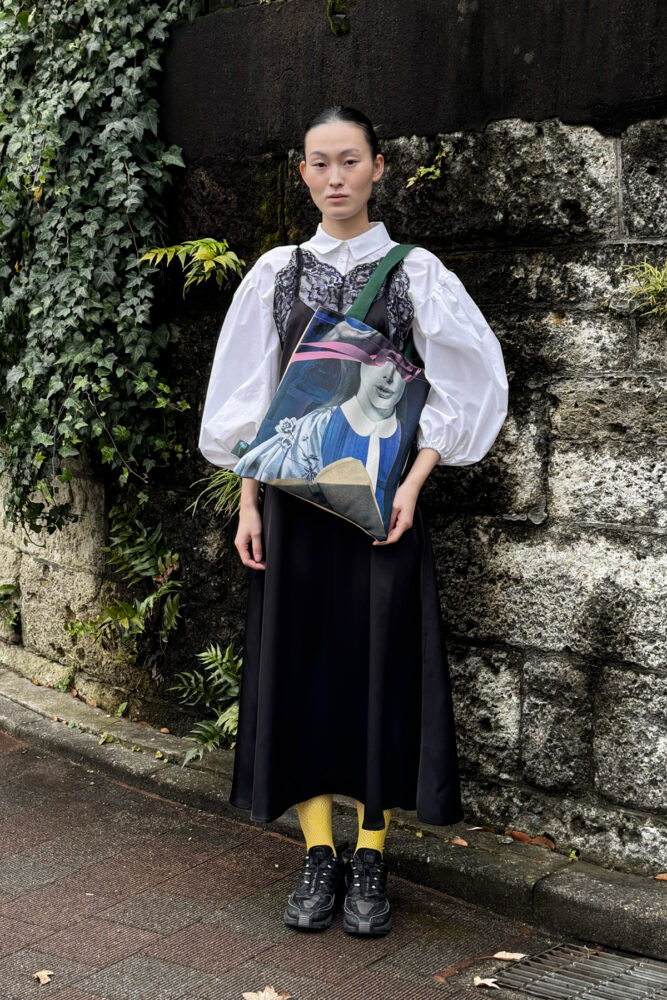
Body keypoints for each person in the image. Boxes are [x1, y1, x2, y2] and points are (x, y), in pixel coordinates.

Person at [198, 106, 509, 937]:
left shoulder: (417, 275)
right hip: (293, 512)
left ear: (377, 167)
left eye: (348, 160)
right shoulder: (275, 274)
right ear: (301, 172)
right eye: (318, 163)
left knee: (379, 673)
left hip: (382, 513)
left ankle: (370, 855)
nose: (333, 177)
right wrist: (247, 500)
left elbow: (469, 386)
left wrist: (414, 485)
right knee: (299, 670)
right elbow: (250, 399)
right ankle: (318, 853)